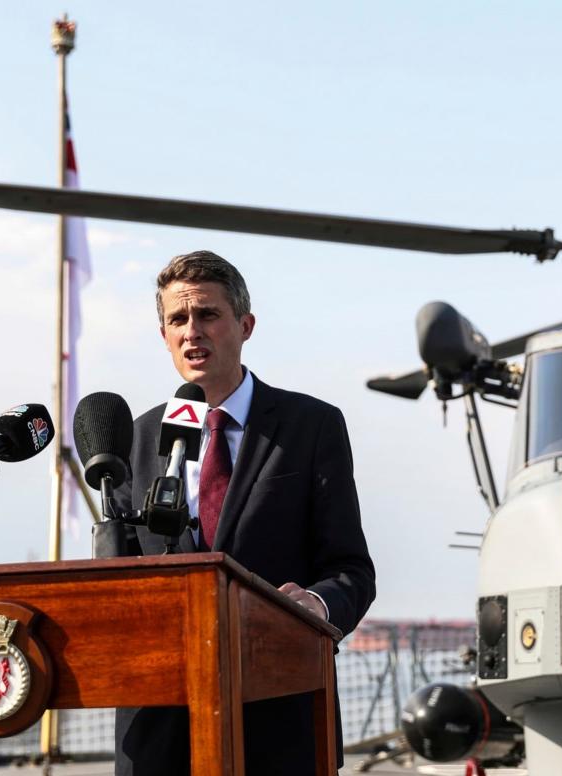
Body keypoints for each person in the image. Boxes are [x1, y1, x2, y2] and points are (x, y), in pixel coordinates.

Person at [110, 250, 376, 775]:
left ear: (245, 325)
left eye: (208, 315)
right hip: (159, 737)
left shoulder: (310, 426)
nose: (192, 332)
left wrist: (317, 607)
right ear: (163, 334)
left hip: (281, 720)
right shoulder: (132, 441)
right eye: (177, 319)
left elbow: (352, 571)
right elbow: (115, 590)